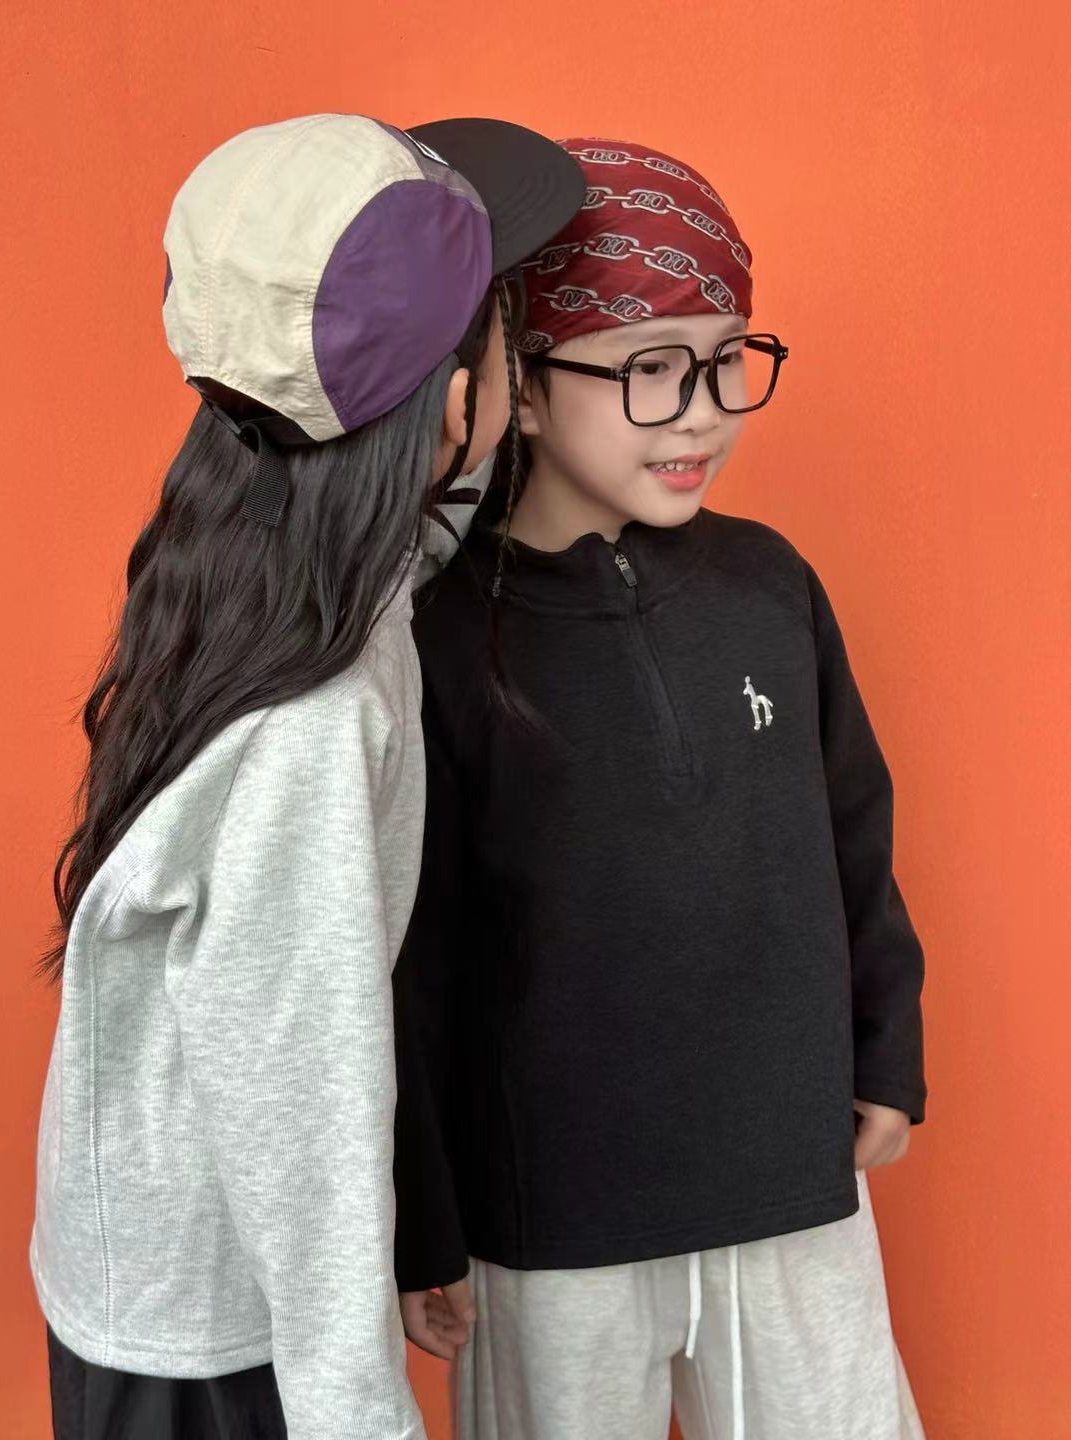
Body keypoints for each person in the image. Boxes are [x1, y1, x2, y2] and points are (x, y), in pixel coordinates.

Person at [30, 112, 584, 1440]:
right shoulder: (315, 724)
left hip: (152, 1258)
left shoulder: (253, 553)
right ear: (454, 406)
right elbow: (306, 1104)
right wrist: (361, 1409)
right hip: (216, 1342)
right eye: (508, 337)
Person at [393, 138, 927, 1440]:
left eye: (726, 359)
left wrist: (887, 1048)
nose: (701, 411)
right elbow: (419, 953)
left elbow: (855, 833)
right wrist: (425, 1219)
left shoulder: (771, 586)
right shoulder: (444, 638)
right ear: (522, 387)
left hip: (789, 1175)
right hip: (554, 1214)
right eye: (648, 368)